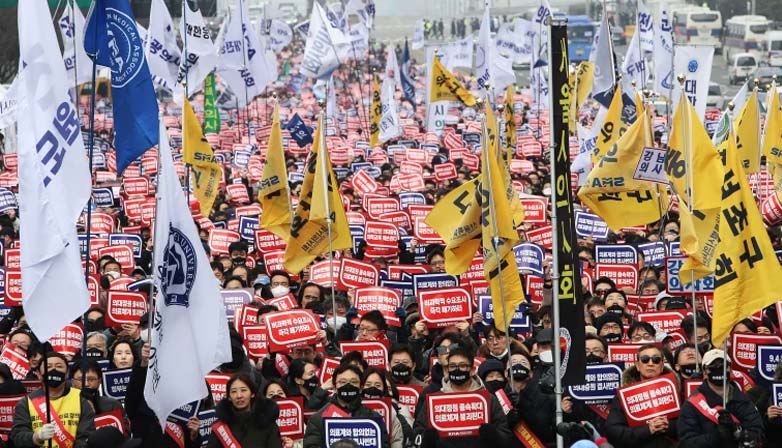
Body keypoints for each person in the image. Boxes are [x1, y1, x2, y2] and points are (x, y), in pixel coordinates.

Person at [413, 346, 512, 447]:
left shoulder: (488, 399)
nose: (457, 369)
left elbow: (505, 435)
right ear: (447, 370)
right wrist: (426, 439)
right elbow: (417, 433)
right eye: (452, 366)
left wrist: (494, 436)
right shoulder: (433, 401)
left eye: (462, 366)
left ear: (472, 370)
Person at [677, 349, 764, 447]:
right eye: (713, 366)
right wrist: (715, 437)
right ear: (705, 372)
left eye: (723, 366)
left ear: (730, 369)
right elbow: (686, 442)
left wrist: (737, 432)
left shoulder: (744, 401)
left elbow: (758, 435)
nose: (718, 369)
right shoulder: (691, 404)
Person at [11, 351, 96, 447]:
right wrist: (36, 437)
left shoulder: (81, 399)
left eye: (59, 366)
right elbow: (18, 436)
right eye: (48, 367)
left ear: (67, 373)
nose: (54, 369)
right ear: (39, 374)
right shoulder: (26, 403)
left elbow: (86, 436)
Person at [604, 344, 677, 447]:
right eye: (645, 359)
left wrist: (668, 426)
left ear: (661, 366)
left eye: (656, 360)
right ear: (637, 366)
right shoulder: (623, 397)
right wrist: (648, 429)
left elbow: (690, 427)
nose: (650, 363)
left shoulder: (677, 391)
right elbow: (613, 432)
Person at [303, 364, 390, 448]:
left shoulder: (373, 418)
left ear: (360, 388)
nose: (348, 386)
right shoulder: (318, 419)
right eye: (342, 382)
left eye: (353, 382)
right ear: (334, 387)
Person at [206, 373, 283, 448]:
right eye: (234, 391)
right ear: (229, 397)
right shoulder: (221, 427)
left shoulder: (267, 422)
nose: (239, 396)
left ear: (252, 393)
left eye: (243, 390)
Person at [71, 360, 130, 433]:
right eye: (81, 380)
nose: (86, 384)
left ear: (99, 381)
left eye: (91, 379)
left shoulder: (113, 405)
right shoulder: (65, 406)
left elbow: (125, 434)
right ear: (73, 382)